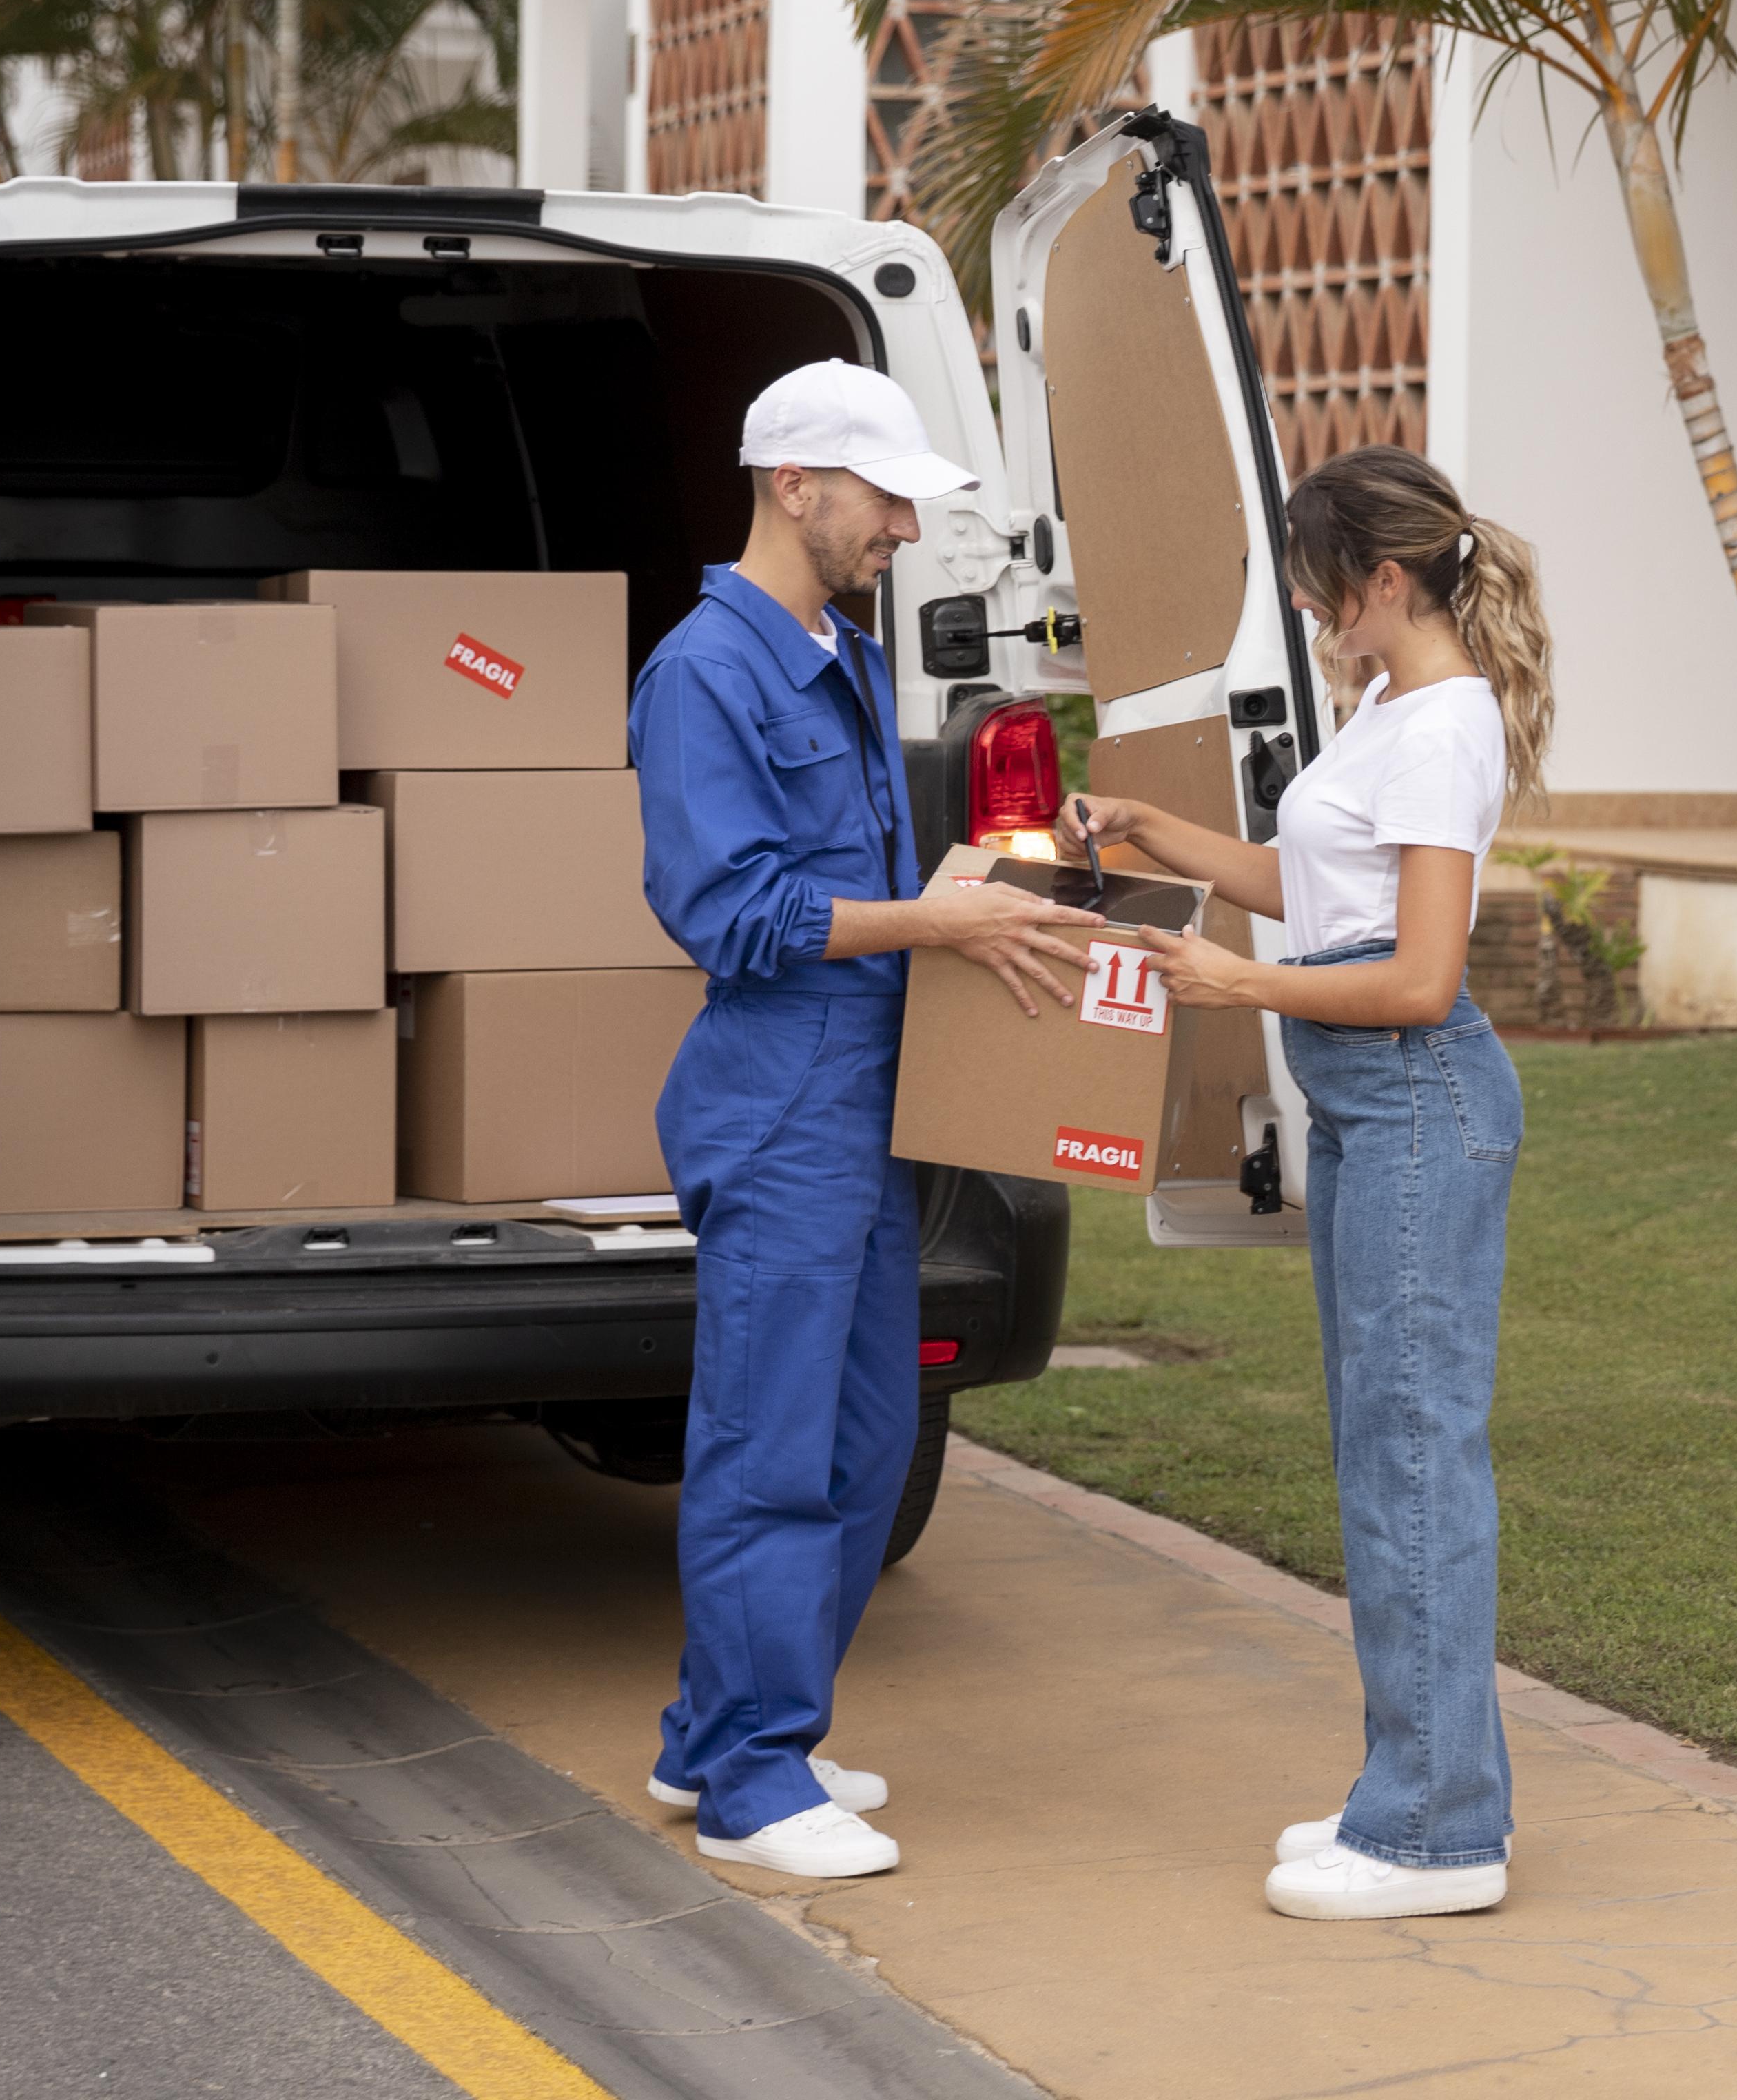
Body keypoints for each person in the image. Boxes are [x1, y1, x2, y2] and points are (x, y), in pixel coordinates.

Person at [1053, 444, 1555, 1922]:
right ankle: (1429, 1784)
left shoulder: (1444, 727)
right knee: (1385, 1452)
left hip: (1413, 1100)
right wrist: (1154, 836)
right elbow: (1309, 880)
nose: (1310, 606)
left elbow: (1417, 975)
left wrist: (1228, 978)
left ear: (1381, 581)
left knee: (1414, 1463)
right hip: (1367, 1111)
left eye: (1318, 583)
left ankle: (1433, 1832)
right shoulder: (1390, 707)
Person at [633, 358, 1098, 1881]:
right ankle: (760, 1779)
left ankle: (721, 1734)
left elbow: (865, 886)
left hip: (864, 1105)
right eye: (886, 493)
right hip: (781, 1109)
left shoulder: (836, 647)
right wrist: (931, 919)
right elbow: (737, 914)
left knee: (863, 1433)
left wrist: (969, 880)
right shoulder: (708, 670)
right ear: (794, 485)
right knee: (771, 1443)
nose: (906, 522)